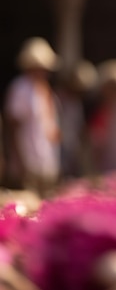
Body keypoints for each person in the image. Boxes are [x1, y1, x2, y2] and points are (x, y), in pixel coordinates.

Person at [4, 37, 61, 196]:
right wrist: (20, 161)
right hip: (28, 161)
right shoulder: (20, 88)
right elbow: (13, 126)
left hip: (45, 160)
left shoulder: (44, 89)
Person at [56, 60, 98, 178]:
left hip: (72, 151)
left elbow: (79, 127)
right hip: (58, 152)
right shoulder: (58, 99)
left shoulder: (76, 103)